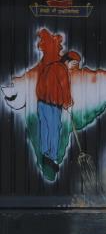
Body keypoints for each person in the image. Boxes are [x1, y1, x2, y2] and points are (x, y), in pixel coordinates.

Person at [36, 45, 75, 173]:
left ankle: (44, 153)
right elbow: (65, 88)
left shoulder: (49, 67)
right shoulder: (62, 70)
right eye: (73, 64)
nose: (73, 67)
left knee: (45, 128)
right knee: (54, 130)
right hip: (53, 106)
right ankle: (52, 158)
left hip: (41, 103)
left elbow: (40, 84)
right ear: (67, 61)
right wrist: (67, 103)